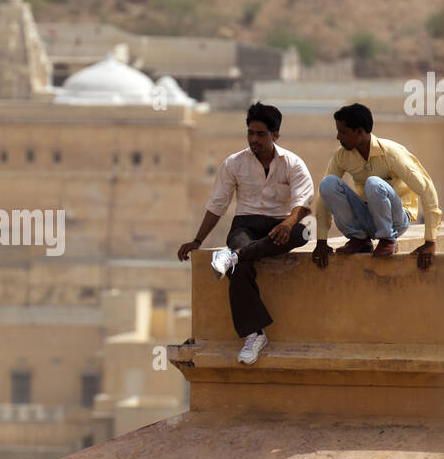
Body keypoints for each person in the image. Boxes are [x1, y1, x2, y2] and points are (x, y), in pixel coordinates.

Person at [177, 102, 314, 365]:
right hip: (246, 225)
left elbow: (304, 202)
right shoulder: (234, 164)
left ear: (275, 135)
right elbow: (217, 204)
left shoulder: (293, 164)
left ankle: (234, 255)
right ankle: (254, 334)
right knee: (239, 268)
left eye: (261, 134)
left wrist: (288, 223)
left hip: (281, 225)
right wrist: (197, 240)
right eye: (250, 133)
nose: (254, 139)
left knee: (302, 234)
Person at [311, 103, 439, 271]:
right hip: (367, 218)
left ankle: (388, 241)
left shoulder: (391, 153)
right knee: (327, 183)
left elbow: (426, 189)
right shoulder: (341, 156)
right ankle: (359, 240)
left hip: (396, 221)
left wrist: (430, 241)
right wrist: (321, 241)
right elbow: (324, 198)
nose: (338, 137)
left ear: (359, 132)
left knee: (373, 183)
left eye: (343, 132)